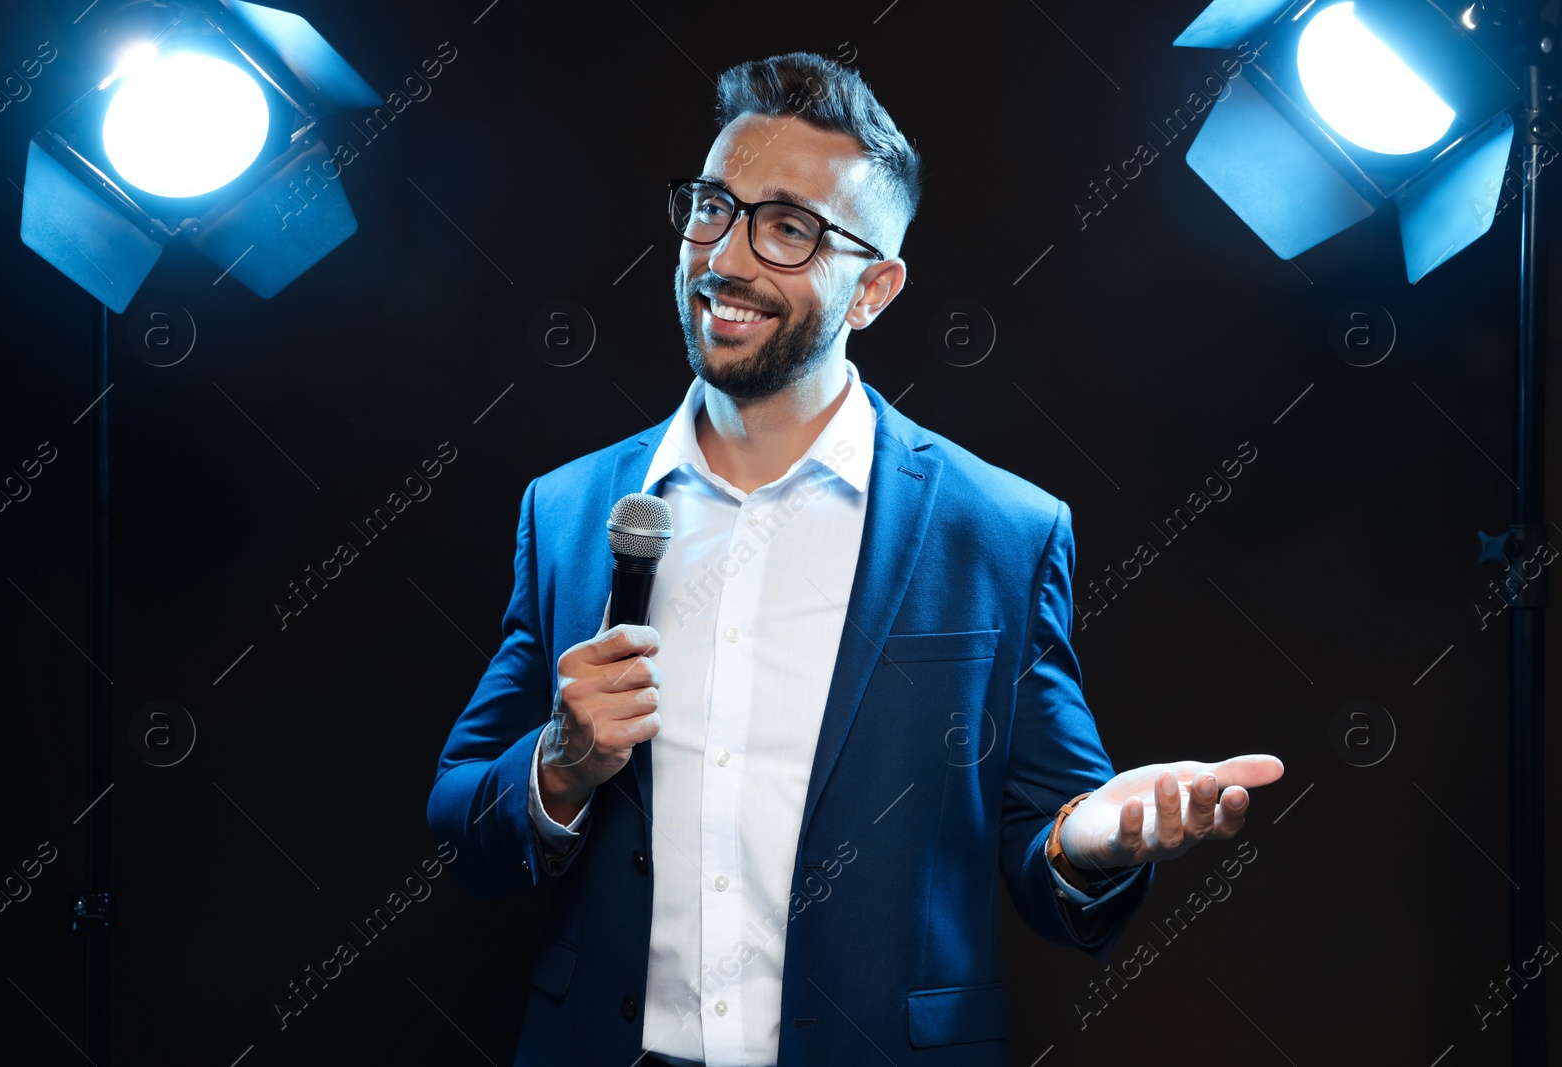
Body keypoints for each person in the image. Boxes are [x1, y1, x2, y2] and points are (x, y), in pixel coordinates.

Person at [427, 51, 1284, 1067]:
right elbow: (460, 821)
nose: (726, 256)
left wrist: (1091, 836)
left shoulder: (1000, 530)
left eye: (788, 227)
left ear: (873, 288)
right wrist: (556, 770)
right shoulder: (569, 509)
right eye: (713, 205)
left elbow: (1049, 837)